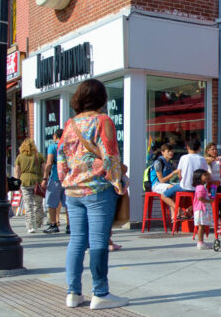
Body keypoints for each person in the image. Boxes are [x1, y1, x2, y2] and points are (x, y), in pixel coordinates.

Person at [58, 79, 128, 310]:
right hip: (98, 189)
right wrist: (120, 182)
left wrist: (68, 180)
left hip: (72, 191)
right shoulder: (103, 121)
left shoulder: (70, 124)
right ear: (102, 98)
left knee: (76, 241)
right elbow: (110, 156)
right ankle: (100, 293)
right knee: (98, 241)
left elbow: (61, 159)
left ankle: (73, 293)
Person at [15, 138, 46, 234]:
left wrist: (17, 184)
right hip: (37, 181)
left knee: (28, 205)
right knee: (38, 203)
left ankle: (30, 226)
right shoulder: (39, 156)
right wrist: (45, 179)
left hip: (24, 181)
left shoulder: (19, 157)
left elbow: (17, 172)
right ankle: (38, 222)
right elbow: (45, 169)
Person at [43, 129, 69, 234]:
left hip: (55, 177)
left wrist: (45, 177)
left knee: (51, 202)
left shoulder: (53, 146)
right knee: (68, 203)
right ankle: (69, 225)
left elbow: (49, 163)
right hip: (68, 178)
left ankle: (53, 224)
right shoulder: (68, 146)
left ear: (55, 136)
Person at [151, 143, 181, 219]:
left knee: (176, 190)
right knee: (172, 188)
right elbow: (161, 180)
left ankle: (174, 216)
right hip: (156, 185)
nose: (171, 153)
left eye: (172, 151)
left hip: (166, 185)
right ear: (162, 152)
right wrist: (174, 173)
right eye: (168, 151)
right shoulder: (158, 163)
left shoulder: (170, 163)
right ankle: (178, 209)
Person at [192, 168, 214, 249]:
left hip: (201, 209)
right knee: (201, 226)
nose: (207, 177)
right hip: (201, 209)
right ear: (199, 177)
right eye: (204, 175)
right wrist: (209, 201)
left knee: (202, 226)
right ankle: (200, 242)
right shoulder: (200, 187)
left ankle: (201, 242)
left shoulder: (201, 187)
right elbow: (200, 198)